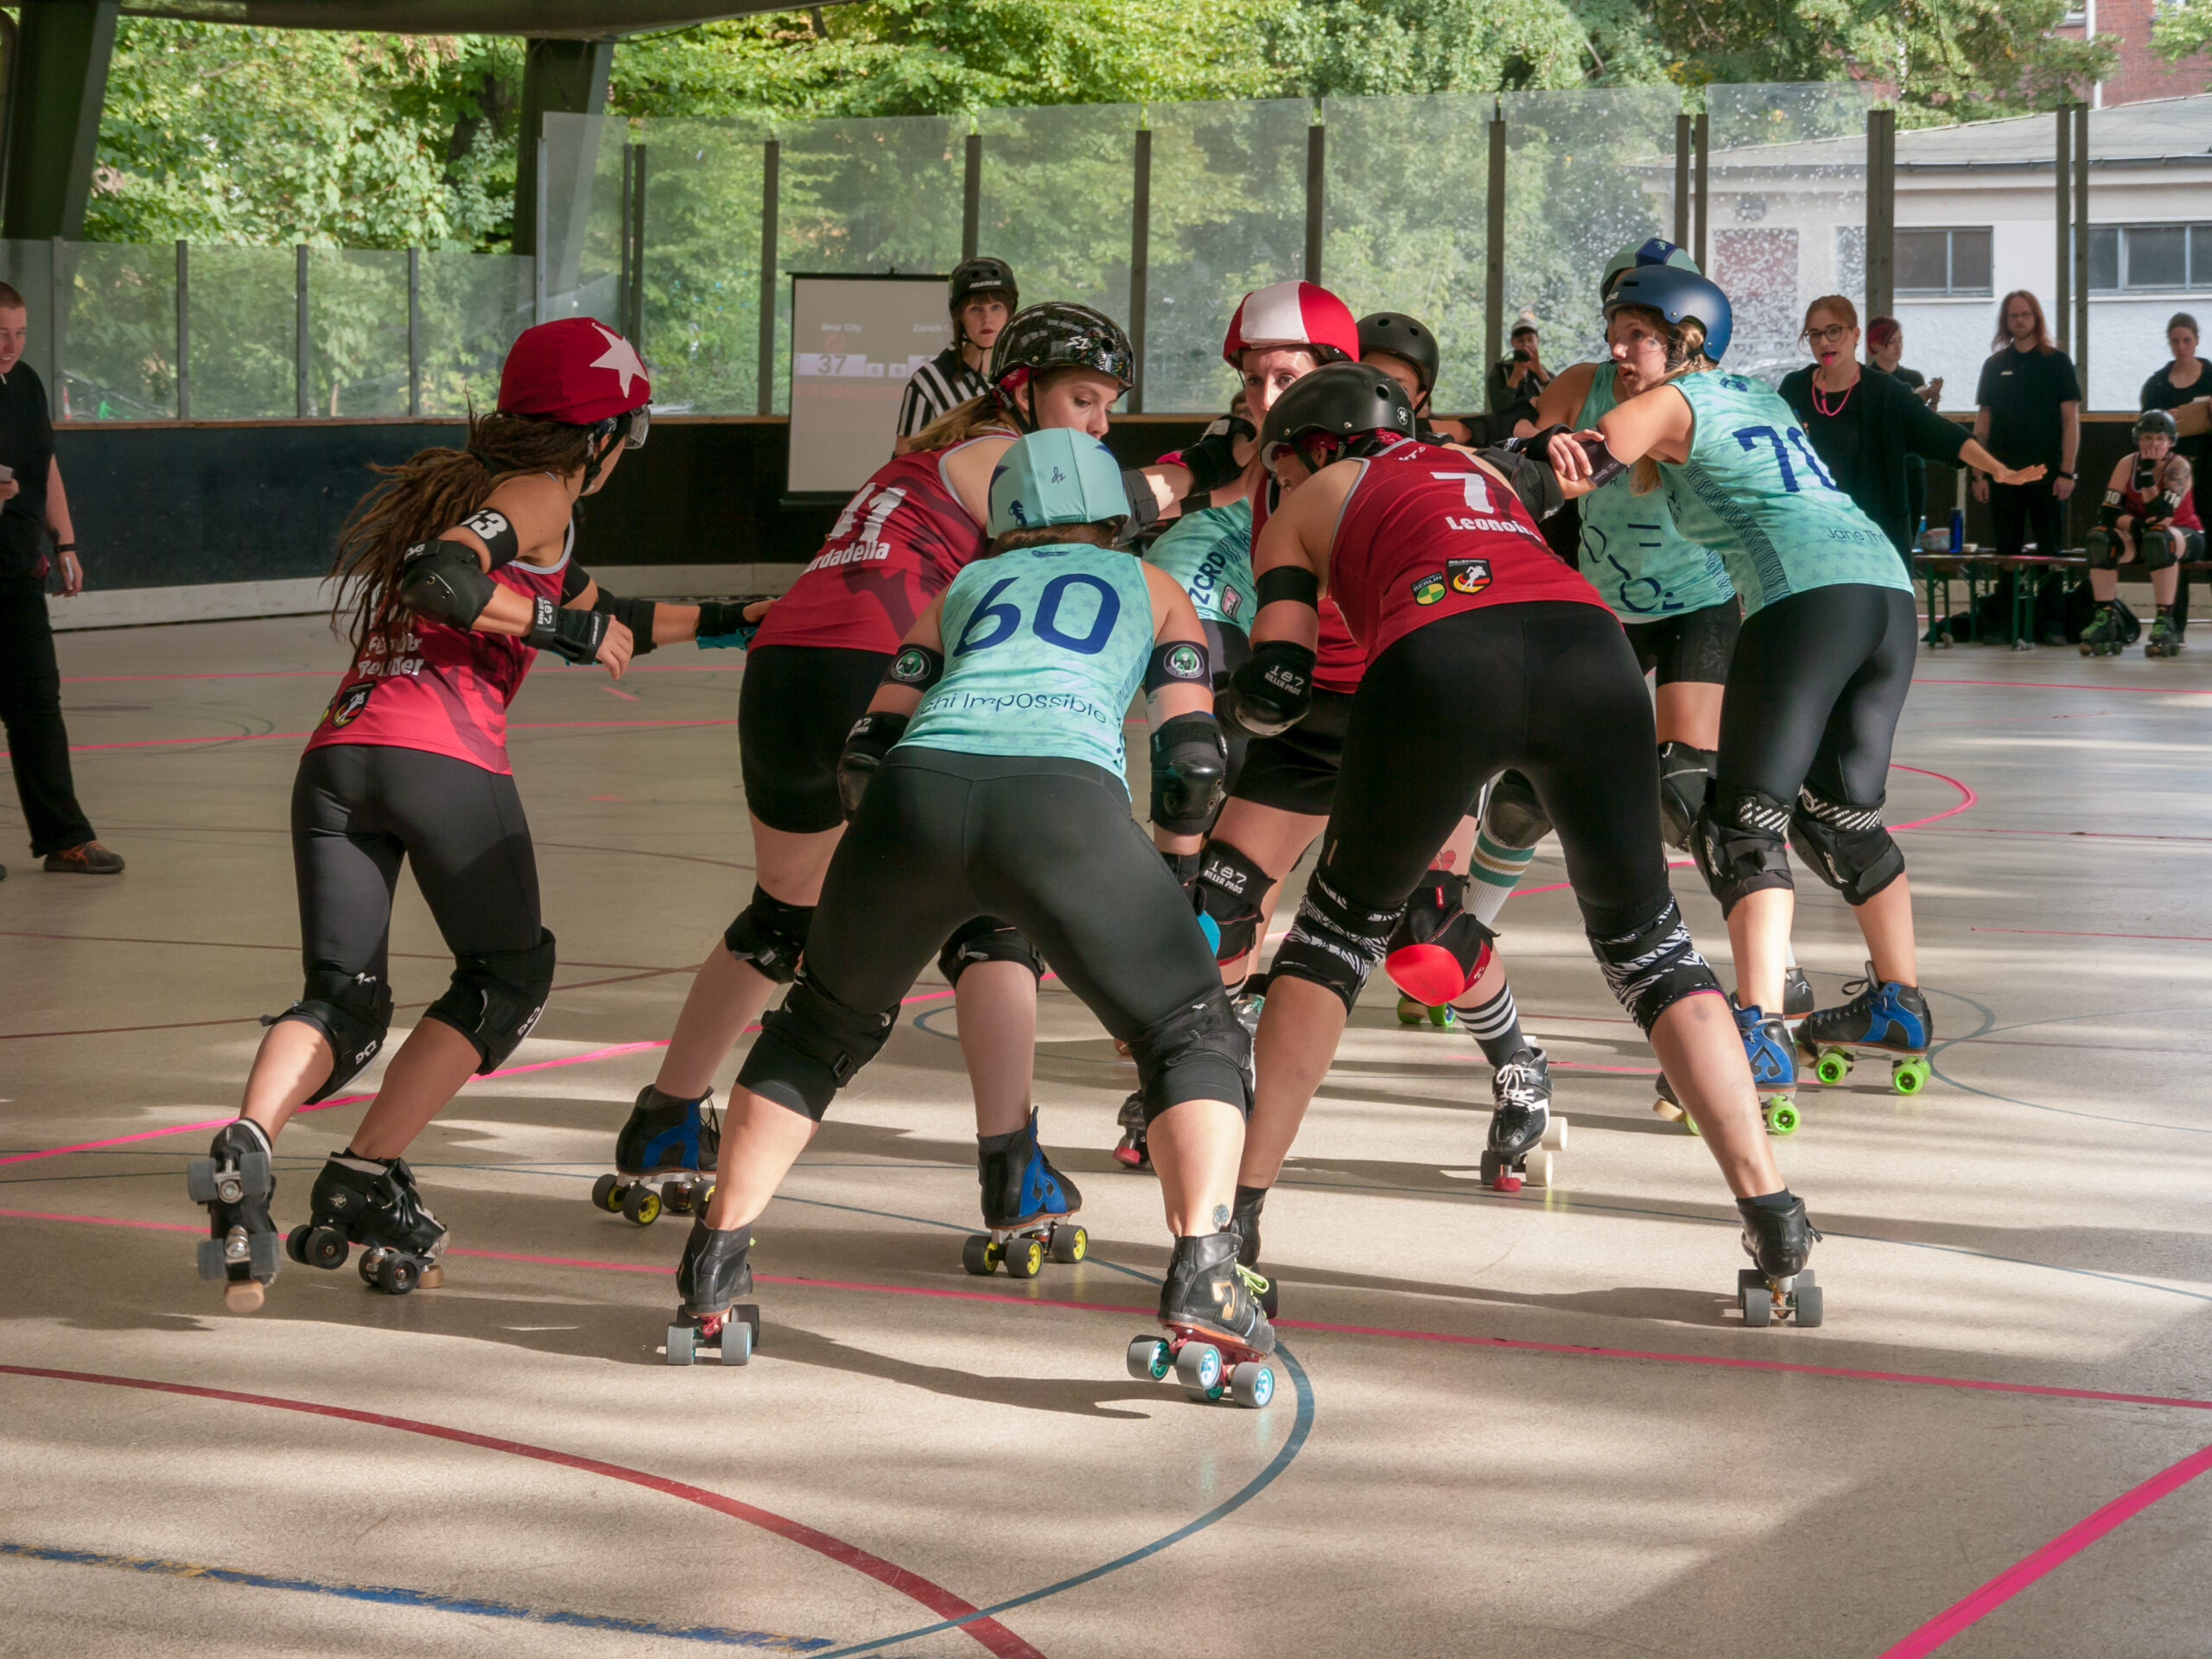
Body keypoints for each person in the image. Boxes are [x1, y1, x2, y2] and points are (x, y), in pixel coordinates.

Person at [664, 429, 1277, 1390]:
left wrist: (910, 872)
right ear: (1116, 511)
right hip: (1061, 805)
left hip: (915, 793)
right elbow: (1194, 765)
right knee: (1191, 1028)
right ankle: (1204, 1269)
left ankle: (715, 1263)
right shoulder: (1154, 589)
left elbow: (865, 752)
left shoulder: (956, 591)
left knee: (817, 1028)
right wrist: (1174, 884)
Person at [1220, 360, 1823, 1324]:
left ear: (1312, 448)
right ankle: (1773, 1211)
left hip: (1441, 655)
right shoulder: (1479, 467)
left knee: (1332, 944)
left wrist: (1240, 697)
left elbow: (1281, 677)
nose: (1281, 485)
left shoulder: (1305, 502)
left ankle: (1233, 1218)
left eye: (1284, 466)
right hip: (1588, 647)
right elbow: (1566, 465)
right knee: (1651, 947)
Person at [184, 319, 746, 1313]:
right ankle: (364, 1172)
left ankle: (249, 1146)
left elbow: (613, 617)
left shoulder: (492, 497)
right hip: (435, 756)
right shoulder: (535, 496)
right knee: (507, 976)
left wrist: (745, 620)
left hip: (338, 757)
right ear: (599, 436)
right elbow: (442, 583)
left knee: (343, 1001)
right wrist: (562, 629)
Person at [626, 304, 1197, 1256]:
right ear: (1019, 392)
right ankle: (1012, 1166)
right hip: (876, 660)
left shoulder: (918, 462)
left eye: (1108, 407)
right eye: (1082, 400)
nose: (1097, 423)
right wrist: (1214, 467)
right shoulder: (991, 450)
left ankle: (668, 1116)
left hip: (789, 668)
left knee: (782, 914)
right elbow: (1122, 511)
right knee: (990, 921)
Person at [1548, 267, 1957, 1121]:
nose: (1618, 351)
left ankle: (1759, 1030)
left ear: (1689, 343)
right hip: (1882, 591)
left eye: (1639, 336)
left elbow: (1579, 460)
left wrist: (1478, 476)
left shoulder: (1672, 398)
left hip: (1804, 595)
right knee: (1841, 816)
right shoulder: (1757, 400)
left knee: (1743, 824)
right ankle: (1899, 1006)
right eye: (1614, 333)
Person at [0, 280, 122, 879]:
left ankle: (65, 838)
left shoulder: (24, 385)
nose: (10, 346)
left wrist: (65, 541)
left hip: (16, 571)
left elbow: (45, 463)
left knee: (37, 704)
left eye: (20, 334)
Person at [1781, 296, 2039, 566]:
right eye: (1814, 334)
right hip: (1811, 541)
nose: (1824, 342)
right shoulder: (1794, 388)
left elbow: (1942, 434)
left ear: (1855, 334)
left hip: (1873, 542)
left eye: (1834, 331)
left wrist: (1997, 469)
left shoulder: (1886, 393)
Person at [1972, 291, 2081, 570]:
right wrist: (1978, 473)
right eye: (2014, 316)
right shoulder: (1994, 366)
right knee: (2006, 551)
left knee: (2049, 551)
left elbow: (2070, 421)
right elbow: (1983, 423)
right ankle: (2008, 609)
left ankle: (2051, 611)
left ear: (2036, 318)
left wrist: (2067, 472)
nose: (2020, 321)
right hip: (2003, 474)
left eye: (2025, 315)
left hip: (2047, 475)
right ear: (2006, 322)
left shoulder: (2058, 363)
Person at [2081, 408, 2200, 658]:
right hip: (2143, 531)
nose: (2153, 444)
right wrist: (2136, 527)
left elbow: (2161, 515)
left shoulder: (2179, 466)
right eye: (2147, 437)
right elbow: (2108, 512)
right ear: (2138, 438)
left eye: (2160, 438)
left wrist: (2146, 474)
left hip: (2185, 533)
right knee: (2100, 538)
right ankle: (2106, 618)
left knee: (2159, 536)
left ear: (2170, 441)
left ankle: (2165, 620)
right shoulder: (2127, 463)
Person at [895, 257, 1018, 441]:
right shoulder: (928, 382)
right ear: (959, 316)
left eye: (996, 307)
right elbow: (904, 458)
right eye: (976, 309)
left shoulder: (1022, 375)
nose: (987, 319)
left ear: (1010, 312)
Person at [1865, 317, 1942, 547]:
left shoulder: (1913, 378)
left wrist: (1933, 399)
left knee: (1909, 530)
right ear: (1876, 345)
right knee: (1881, 529)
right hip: (1881, 465)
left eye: (1901, 340)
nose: (1898, 347)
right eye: (1891, 341)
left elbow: (1925, 423)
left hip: (1911, 463)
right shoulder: (1867, 378)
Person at [2139, 313, 2209, 483]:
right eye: (2175, 342)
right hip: (2169, 468)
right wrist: (2163, 424)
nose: (2181, 347)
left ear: (2196, 340)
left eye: (2187, 340)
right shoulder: (2156, 384)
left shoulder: (2210, 376)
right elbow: (2144, 431)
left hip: (2208, 464)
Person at [1487, 316, 1553, 414]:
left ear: (1537, 341)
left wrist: (1540, 373)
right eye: (1520, 340)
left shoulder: (1544, 372)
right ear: (1512, 343)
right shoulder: (1500, 371)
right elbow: (1498, 409)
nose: (1525, 344)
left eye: (1530, 340)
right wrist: (1514, 380)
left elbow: (1560, 401)